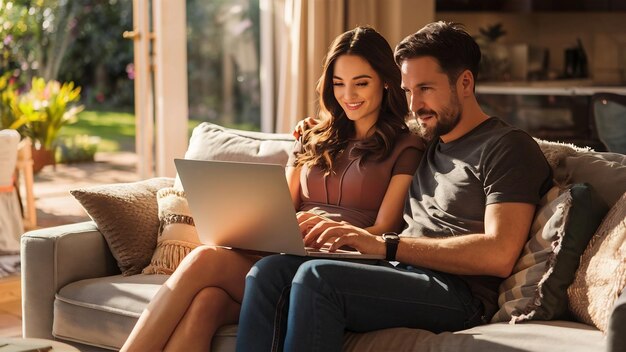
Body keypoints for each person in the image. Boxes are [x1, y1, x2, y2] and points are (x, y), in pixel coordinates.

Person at [235, 21, 554, 352]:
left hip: (458, 293)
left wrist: (384, 245)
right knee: (268, 272)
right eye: (407, 91)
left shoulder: (507, 146)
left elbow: (499, 254)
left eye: (426, 88)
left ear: (465, 83)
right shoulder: (428, 139)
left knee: (316, 280)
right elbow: (368, 129)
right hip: (400, 272)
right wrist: (322, 128)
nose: (415, 104)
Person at [120, 26, 423, 351]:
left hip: (343, 265)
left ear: (386, 81)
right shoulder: (312, 137)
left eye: (361, 83)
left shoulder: (406, 146)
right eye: (338, 84)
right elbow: (284, 208)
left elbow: (385, 228)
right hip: (287, 255)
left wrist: (340, 232)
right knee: (206, 303)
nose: (348, 95)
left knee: (204, 260)